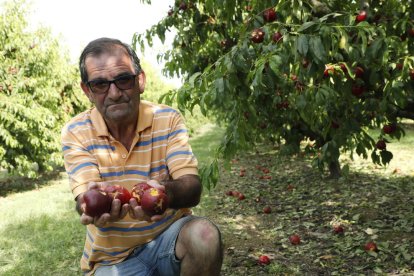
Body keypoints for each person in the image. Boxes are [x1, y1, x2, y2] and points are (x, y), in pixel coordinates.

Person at [61, 37, 223, 275]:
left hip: (169, 241)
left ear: (140, 81)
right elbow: (84, 200)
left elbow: (192, 188)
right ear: (87, 91)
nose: (114, 93)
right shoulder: (76, 131)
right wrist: (91, 206)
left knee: (205, 234)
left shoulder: (167, 119)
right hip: (112, 259)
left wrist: (164, 194)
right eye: (100, 85)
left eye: (123, 80)